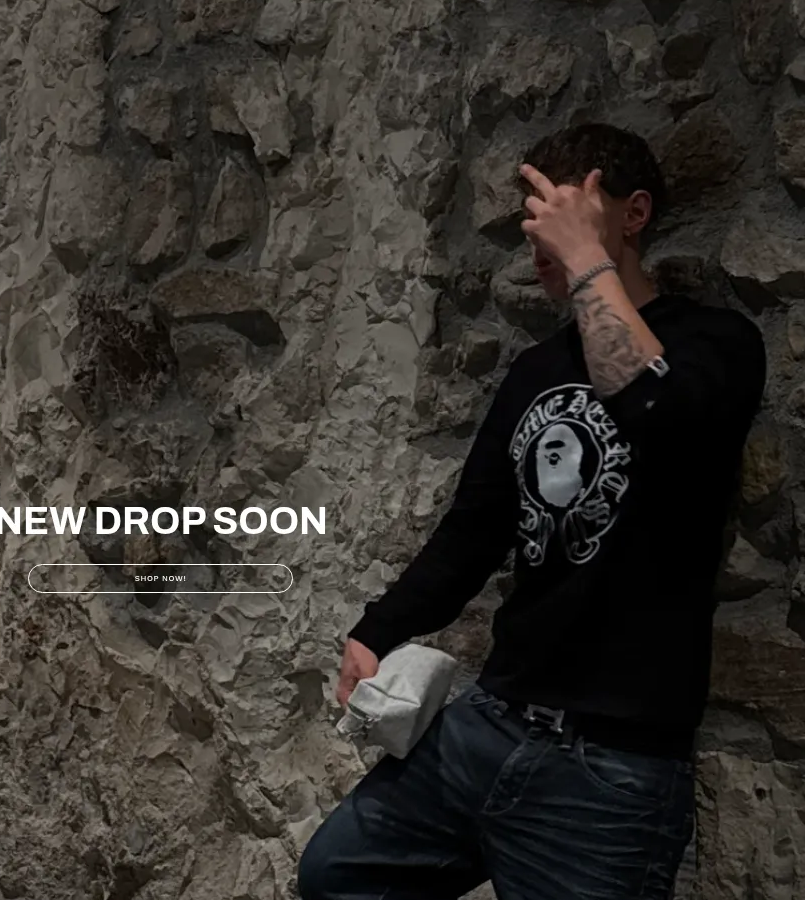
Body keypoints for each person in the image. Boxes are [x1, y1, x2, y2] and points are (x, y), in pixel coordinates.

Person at [298, 124, 768, 900]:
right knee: (336, 874)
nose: (540, 239)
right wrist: (378, 628)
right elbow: (475, 529)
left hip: (610, 765)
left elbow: (661, 415)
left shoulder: (717, 342)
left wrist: (588, 262)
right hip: (494, 718)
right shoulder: (536, 370)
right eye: (534, 220)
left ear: (634, 213)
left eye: (564, 213)